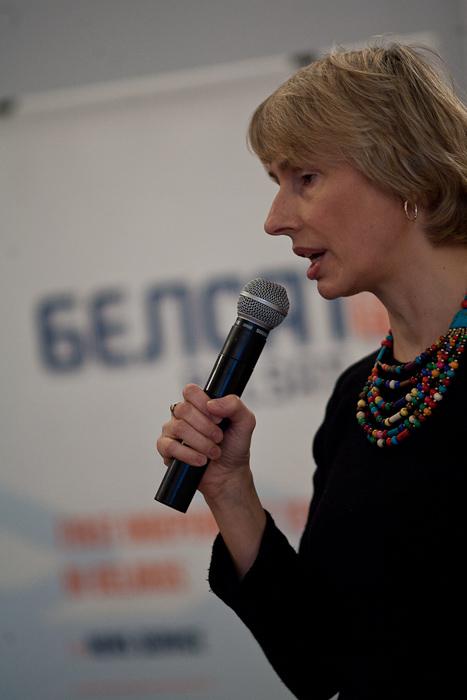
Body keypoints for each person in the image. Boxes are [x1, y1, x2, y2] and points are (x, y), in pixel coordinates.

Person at [156, 43, 467, 699]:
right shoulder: (362, 396)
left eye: (305, 178)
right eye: (276, 183)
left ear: (406, 169)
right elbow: (321, 666)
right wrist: (230, 489)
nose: (275, 221)